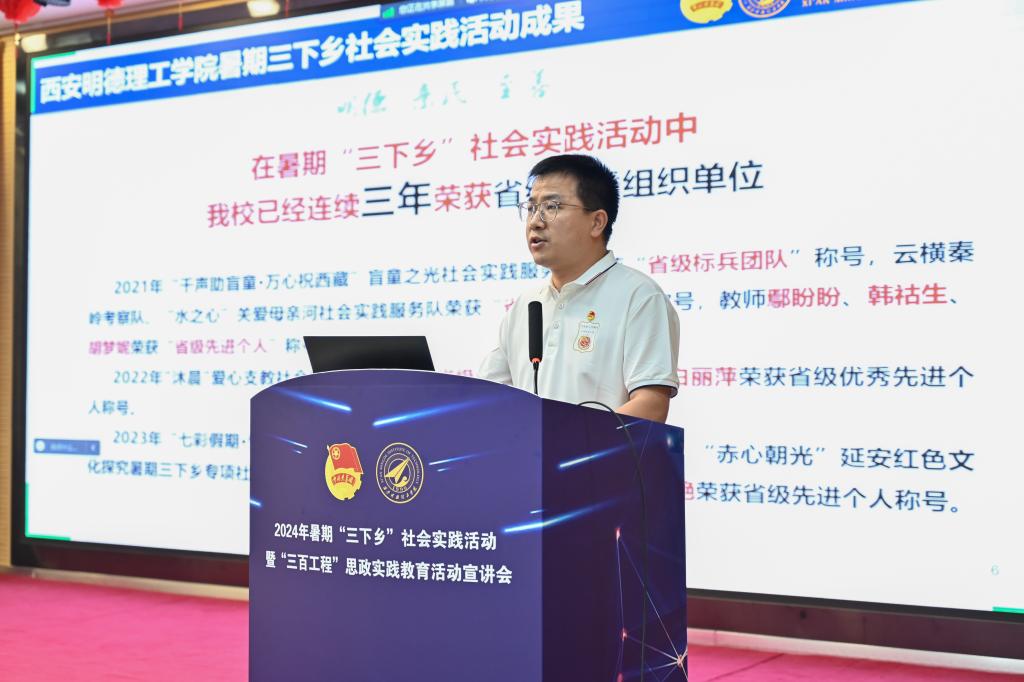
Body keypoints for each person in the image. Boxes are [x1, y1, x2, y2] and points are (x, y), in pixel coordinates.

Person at [478, 154, 680, 423]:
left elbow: (651, 405)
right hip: (531, 452)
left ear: (597, 222)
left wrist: (564, 440)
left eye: (552, 206)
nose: (535, 221)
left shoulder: (639, 296)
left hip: (598, 453)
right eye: (531, 208)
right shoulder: (526, 304)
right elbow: (487, 397)